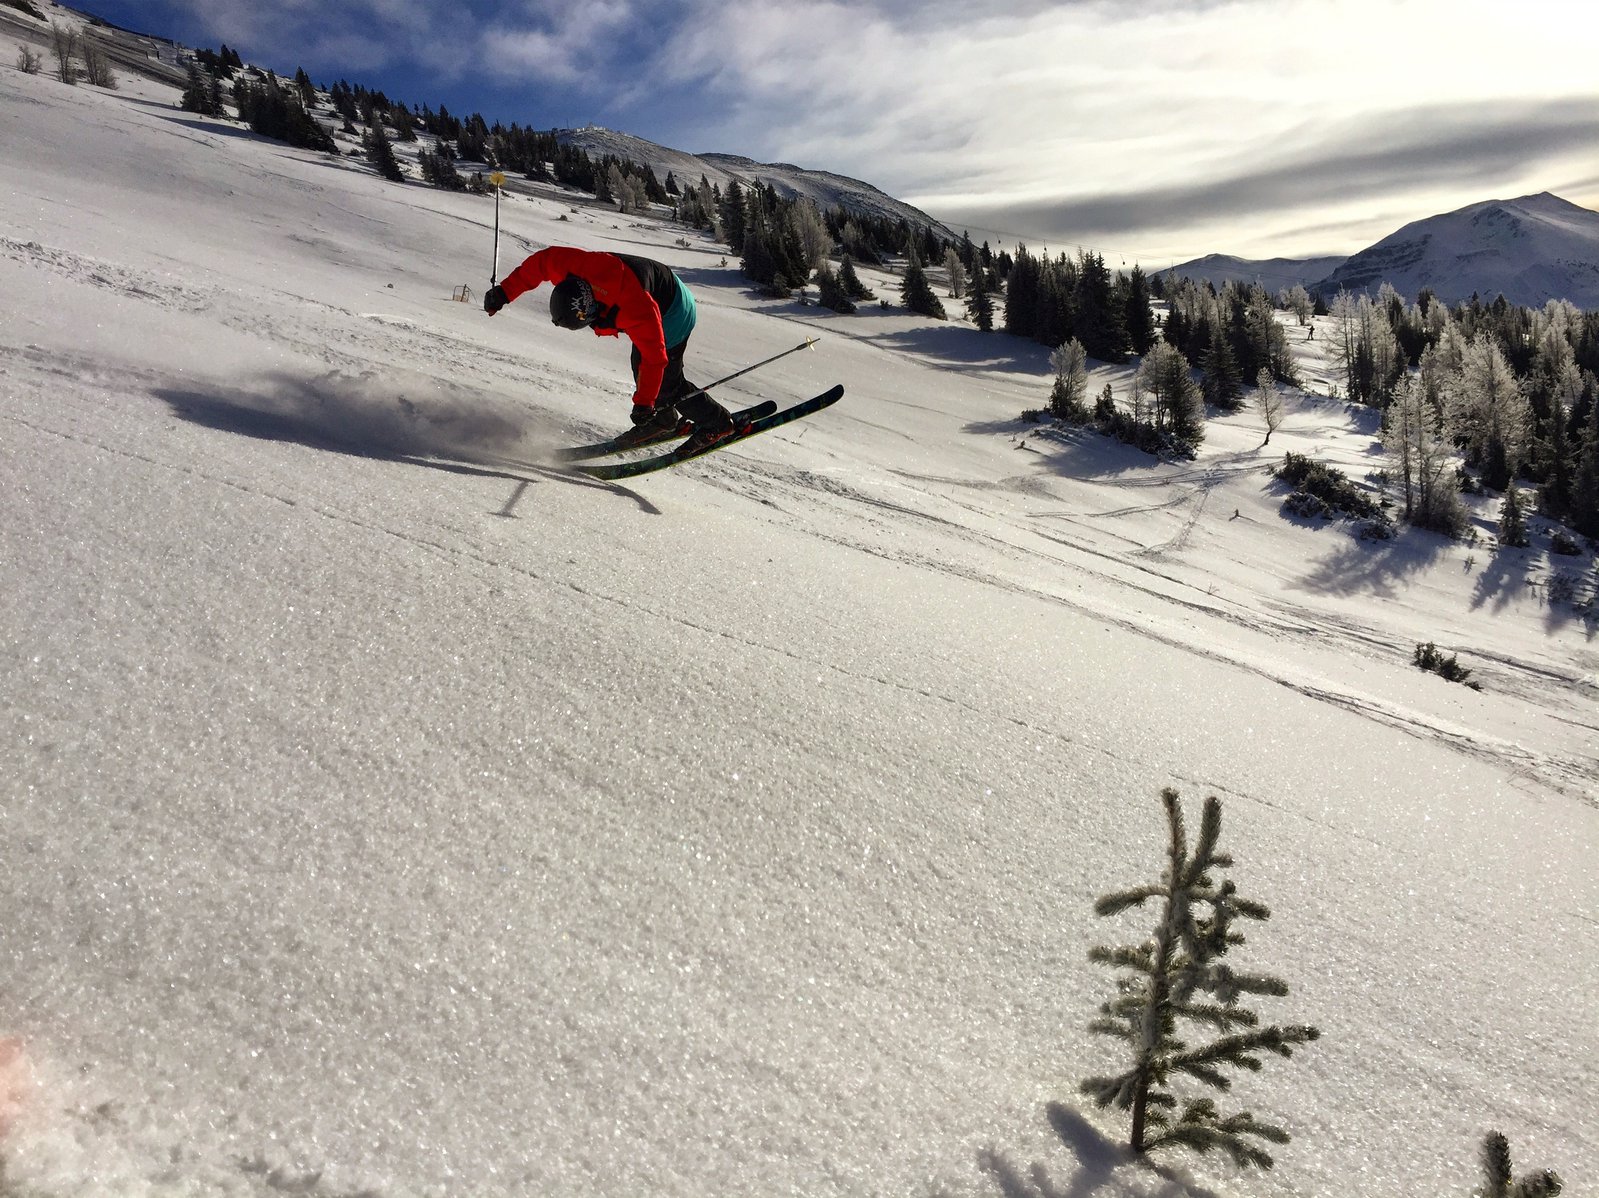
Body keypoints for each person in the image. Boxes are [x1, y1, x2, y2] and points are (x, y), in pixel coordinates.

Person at [483, 246, 737, 454]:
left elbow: (655, 358)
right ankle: (665, 419)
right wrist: (504, 293)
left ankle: (717, 423)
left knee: (666, 382)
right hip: (650, 287)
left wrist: (644, 404)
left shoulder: (634, 308)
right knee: (643, 370)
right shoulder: (570, 267)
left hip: (674, 311)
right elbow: (539, 263)